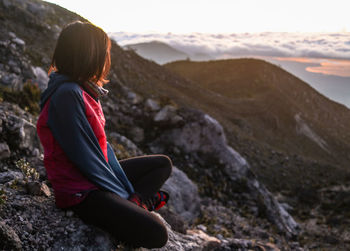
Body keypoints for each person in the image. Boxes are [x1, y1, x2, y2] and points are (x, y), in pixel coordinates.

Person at [36, 21, 172, 248]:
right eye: (102, 54)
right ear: (88, 56)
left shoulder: (82, 90)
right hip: (81, 190)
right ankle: (137, 203)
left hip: (97, 173)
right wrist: (120, 191)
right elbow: (84, 159)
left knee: (162, 164)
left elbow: (95, 153)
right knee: (157, 233)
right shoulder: (68, 95)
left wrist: (125, 194)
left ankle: (136, 202)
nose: (105, 60)